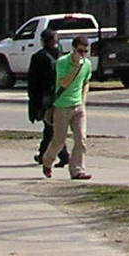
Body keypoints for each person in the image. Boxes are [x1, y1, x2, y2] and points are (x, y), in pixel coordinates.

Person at [41, 34, 93, 180]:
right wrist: (76, 67)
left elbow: (86, 81)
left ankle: (77, 170)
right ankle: (47, 161)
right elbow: (64, 83)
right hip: (62, 106)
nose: (82, 55)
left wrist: (83, 100)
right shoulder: (62, 62)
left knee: (81, 139)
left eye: (85, 52)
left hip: (78, 107)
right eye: (80, 51)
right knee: (59, 140)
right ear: (73, 49)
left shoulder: (87, 64)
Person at [26, 29, 68, 169]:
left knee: (51, 126)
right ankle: (47, 154)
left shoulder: (38, 57)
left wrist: (34, 102)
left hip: (47, 97)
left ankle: (60, 155)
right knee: (53, 126)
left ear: (43, 41)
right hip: (63, 95)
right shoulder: (64, 56)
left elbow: (33, 82)